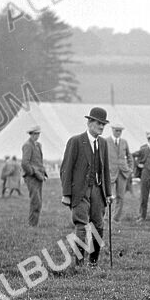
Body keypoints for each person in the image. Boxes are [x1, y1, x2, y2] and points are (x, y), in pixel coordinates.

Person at [60, 107, 113, 268]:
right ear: (89, 123)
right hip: (79, 192)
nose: (102, 127)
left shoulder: (103, 143)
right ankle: (79, 264)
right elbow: (66, 169)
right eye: (99, 123)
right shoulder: (75, 141)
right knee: (81, 226)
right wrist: (66, 194)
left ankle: (93, 263)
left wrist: (108, 193)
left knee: (99, 226)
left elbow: (105, 170)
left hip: (98, 191)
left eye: (104, 124)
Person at [107, 124, 133, 223]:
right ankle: (105, 218)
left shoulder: (124, 142)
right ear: (112, 130)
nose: (118, 133)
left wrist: (130, 169)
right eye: (116, 130)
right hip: (110, 173)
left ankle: (115, 218)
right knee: (107, 196)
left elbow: (129, 156)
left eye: (120, 131)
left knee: (120, 196)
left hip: (123, 173)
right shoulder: (106, 141)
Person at [21, 126, 46, 227]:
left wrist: (43, 172)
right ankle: (32, 225)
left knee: (38, 201)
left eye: (38, 134)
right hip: (32, 177)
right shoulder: (27, 145)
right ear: (30, 134)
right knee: (36, 201)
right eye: (34, 134)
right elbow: (25, 163)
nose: (37, 136)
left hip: (39, 176)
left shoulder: (38, 145)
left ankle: (34, 224)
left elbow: (38, 161)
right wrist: (34, 173)